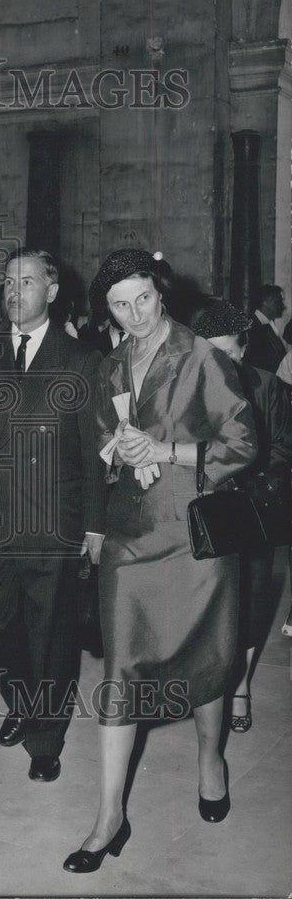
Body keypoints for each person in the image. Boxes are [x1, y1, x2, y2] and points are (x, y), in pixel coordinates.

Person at [63, 249, 257, 874]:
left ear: (160, 292)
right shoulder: (110, 365)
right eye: (121, 304)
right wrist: (116, 448)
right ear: (108, 313)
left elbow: (245, 442)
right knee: (120, 669)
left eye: (142, 297)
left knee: (205, 653)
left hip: (193, 531)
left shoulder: (203, 356)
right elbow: (98, 432)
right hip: (129, 538)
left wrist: (168, 450)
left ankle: (210, 760)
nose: (135, 313)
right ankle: (109, 815)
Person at [0, 248, 106, 783]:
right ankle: (21, 699)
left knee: (51, 631)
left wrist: (94, 524)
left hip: (52, 518)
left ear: (52, 292)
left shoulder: (81, 358)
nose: (15, 291)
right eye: (9, 282)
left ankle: (45, 737)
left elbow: (91, 451)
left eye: (28, 281)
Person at [192, 299, 292, 732]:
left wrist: (251, 483)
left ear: (244, 347)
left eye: (228, 353)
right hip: (203, 507)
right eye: (211, 354)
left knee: (250, 601)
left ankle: (240, 688)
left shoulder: (269, 387)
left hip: (253, 509)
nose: (221, 363)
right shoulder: (189, 387)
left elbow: (283, 448)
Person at [245, 284, 287, 374]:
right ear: (265, 302)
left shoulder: (269, 324)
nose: (283, 306)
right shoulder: (253, 327)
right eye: (278, 301)